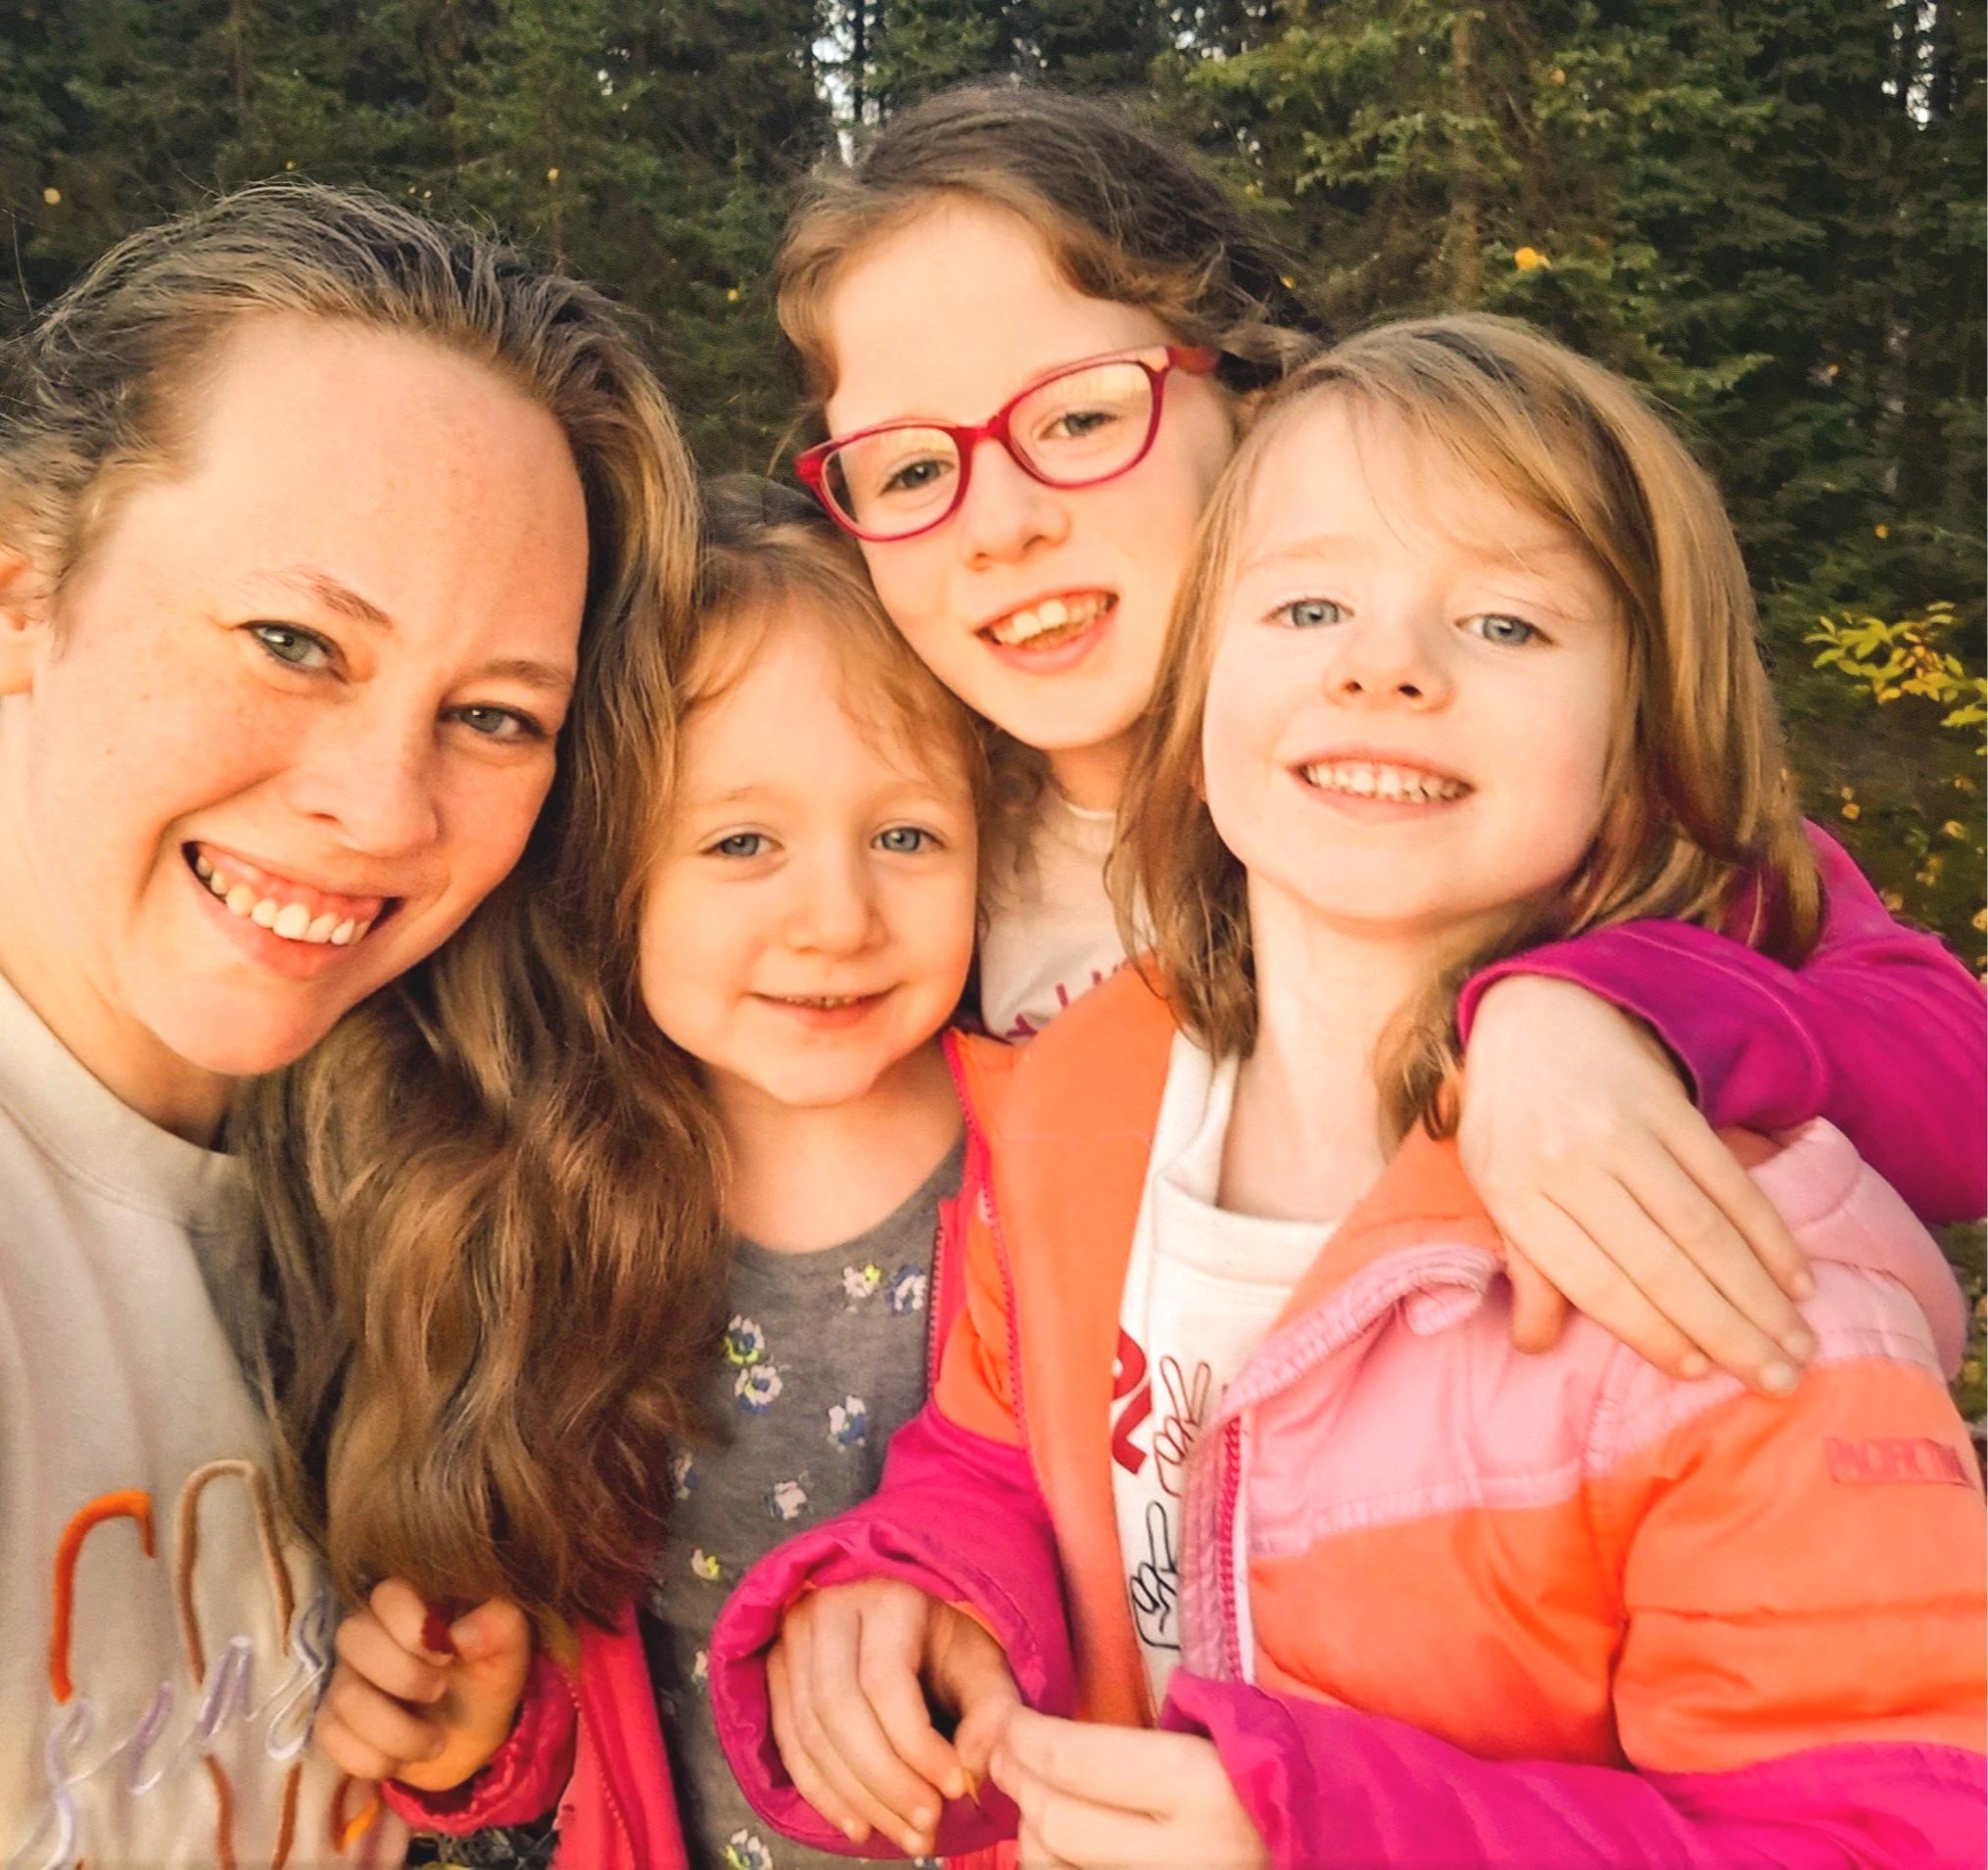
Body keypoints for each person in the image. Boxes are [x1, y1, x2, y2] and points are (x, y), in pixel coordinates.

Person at [710, 315, 1987, 1868]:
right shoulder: (1074, 1106)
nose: (1385, 664)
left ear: (1648, 747)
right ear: (1192, 716)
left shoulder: (1725, 1256)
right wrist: (922, 1584)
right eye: (1308, 603)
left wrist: (1325, 1834)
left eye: (1507, 624)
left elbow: (1888, 1828)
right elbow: (993, 1454)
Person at [774, 82, 1986, 1392]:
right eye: (905, 467)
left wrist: (1608, 1015)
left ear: (1251, 399)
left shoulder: (1490, 790)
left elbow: (1953, 1077)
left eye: (1077, 415)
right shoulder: (911, 852)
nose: (996, 522)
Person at [0, 182, 699, 1865]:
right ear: (22, 595)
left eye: (493, 714)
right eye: (295, 641)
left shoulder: (422, 1166)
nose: (385, 813)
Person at [281, 479, 990, 1869]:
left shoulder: (1062, 1158)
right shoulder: (557, 1195)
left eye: (906, 834)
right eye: (740, 843)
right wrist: (484, 1736)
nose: (837, 918)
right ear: (607, 872)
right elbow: (590, 1718)